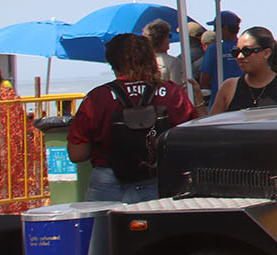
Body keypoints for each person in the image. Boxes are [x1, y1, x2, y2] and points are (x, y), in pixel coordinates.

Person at [67, 34, 196, 203]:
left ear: (112, 62)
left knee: (103, 222)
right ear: (150, 58)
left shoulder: (97, 97)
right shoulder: (171, 93)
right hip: (158, 179)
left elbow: (76, 154)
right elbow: (193, 137)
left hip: (108, 181)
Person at [210, 27, 277, 114]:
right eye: (236, 52)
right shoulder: (229, 87)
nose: (240, 56)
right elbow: (211, 125)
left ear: (266, 53)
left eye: (247, 51)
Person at [195, 10, 242, 95]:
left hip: (220, 97)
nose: (214, 31)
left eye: (215, 27)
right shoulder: (246, 48)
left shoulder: (213, 49)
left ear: (224, 28)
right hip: (244, 97)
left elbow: (204, 81)